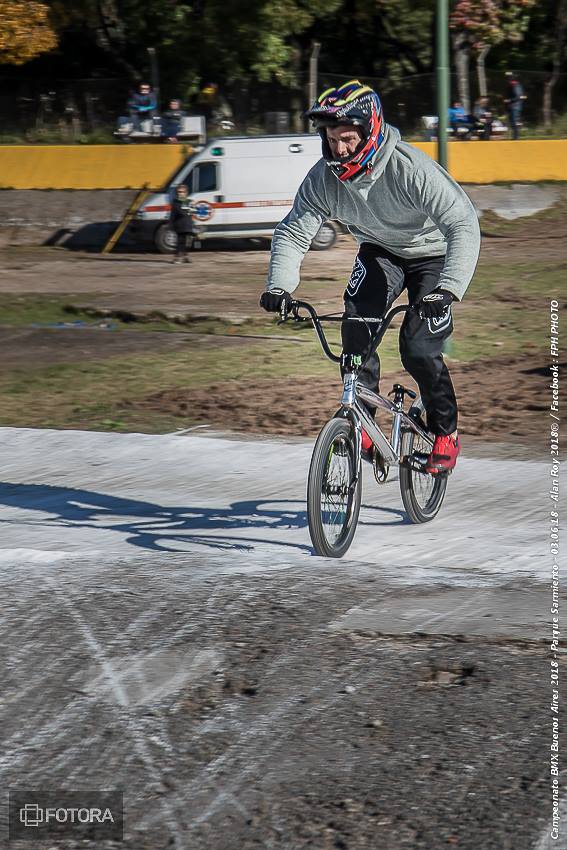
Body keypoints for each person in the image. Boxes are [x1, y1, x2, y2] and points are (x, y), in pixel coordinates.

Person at [259, 80, 481, 474]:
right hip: (380, 252)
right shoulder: (324, 178)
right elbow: (294, 230)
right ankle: (362, 419)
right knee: (356, 329)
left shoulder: (409, 169)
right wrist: (279, 285)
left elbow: (462, 223)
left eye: (346, 138)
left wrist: (449, 288)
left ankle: (446, 433)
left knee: (417, 346)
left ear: (370, 131)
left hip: (432, 255)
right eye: (331, 138)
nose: (338, 148)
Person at [169, 185, 196, 263]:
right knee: (180, 242)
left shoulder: (189, 201)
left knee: (188, 243)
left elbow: (192, 213)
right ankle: (176, 258)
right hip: (179, 225)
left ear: (186, 193)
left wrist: (192, 207)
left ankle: (185, 257)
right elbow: (174, 214)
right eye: (179, 192)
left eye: (182, 192)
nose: (181, 193)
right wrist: (170, 225)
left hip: (188, 225)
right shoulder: (176, 202)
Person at [503, 71, 526, 140]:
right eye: (507, 77)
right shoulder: (510, 85)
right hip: (511, 107)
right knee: (512, 122)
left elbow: (519, 96)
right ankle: (514, 137)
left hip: (515, 106)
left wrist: (509, 100)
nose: (508, 79)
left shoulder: (516, 85)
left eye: (509, 77)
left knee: (514, 121)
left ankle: (516, 137)